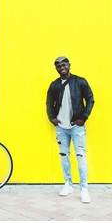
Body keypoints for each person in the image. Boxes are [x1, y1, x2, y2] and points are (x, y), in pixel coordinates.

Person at [46, 56, 94, 203]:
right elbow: (48, 103)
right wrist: (52, 118)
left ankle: (84, 189)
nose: (62, 68)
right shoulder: (54, 85)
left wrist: (83, 118)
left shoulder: (80, 81)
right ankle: (68, 184)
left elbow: (90, 99)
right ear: (56, 69)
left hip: (76, 127)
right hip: (61, 127)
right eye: (58, 66)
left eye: (64, 65)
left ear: (69, 65)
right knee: (64, 156)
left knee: (81, 157)